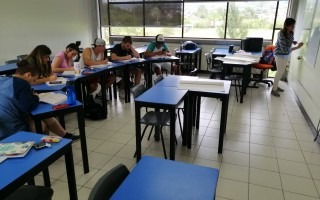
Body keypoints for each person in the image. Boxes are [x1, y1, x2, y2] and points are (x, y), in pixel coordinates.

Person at [0, 60, 80, 141]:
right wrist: (36, 97)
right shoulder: (22, 83)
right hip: (12, 128)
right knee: (42, 125)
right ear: (28, 75)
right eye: (34, 80)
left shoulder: (5, 79)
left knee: (47, 117)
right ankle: (43, 146)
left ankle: (66, 136)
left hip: (3, 124)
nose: (33, 83)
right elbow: (27, 107)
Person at [271, 18, 304, 97]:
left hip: (286, 55)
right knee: (280, 72)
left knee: (281, 71)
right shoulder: (281, 33)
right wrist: (298, 47)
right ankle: (274, 90)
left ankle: (275, 86)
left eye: (294, 25)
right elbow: (284, 48)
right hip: (279, 54)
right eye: (291, 25)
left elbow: (288, 41)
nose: (293, 27)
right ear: (286, 25)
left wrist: (293, 42)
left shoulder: (290, 32)